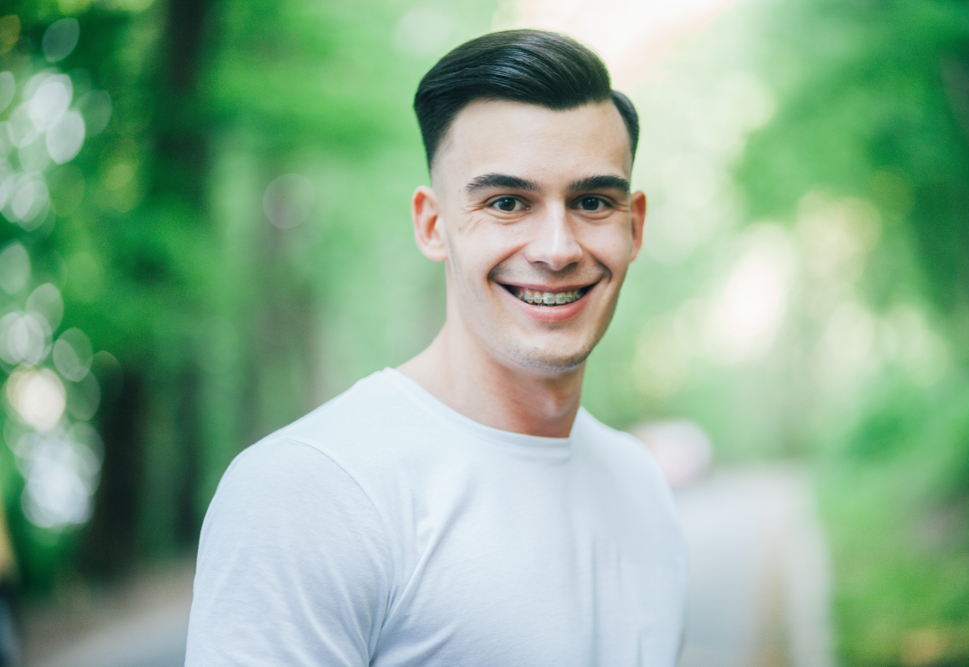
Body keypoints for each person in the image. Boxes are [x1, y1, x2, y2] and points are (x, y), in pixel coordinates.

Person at [185, 29, 687, 666]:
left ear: (634, 225)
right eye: (508, 202)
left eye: (591, 202)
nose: (557, 249)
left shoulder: (641, 484)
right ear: (433, 224)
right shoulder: (308, 494)